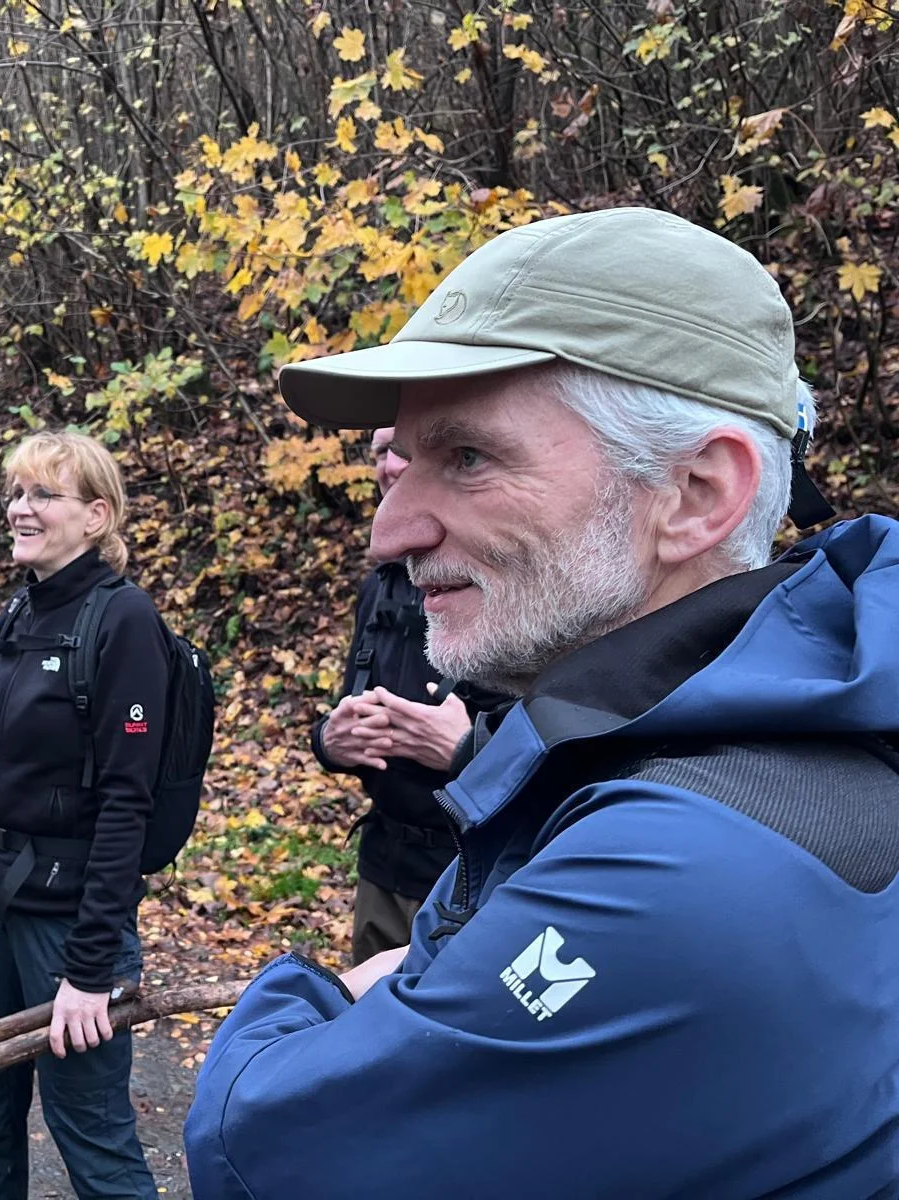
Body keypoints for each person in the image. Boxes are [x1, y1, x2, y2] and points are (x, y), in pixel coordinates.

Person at [185, 206, 899, 1197]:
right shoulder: (787, 721)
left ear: (694, 492)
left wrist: (322, 990)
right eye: (393, 462)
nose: (386, 533)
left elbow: (259, 1152)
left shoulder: (685, 864)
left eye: (469, 459)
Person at [0, 431, 167, 1200]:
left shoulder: (124, 621)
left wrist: (89, 969)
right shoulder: (21, 612)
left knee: (92, 1136)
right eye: (16, 492)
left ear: (95, 516)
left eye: (44, 494)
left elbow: (126, 804)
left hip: (70, 917)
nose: (21, 508)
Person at [312, 425, 507, 963]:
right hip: (382, 868)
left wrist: (469, 751)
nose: (392, 466)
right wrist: (329, 741)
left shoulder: (512, 580)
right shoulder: (380, 584)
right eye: (382, 453)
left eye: (406, 451)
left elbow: (581, 754)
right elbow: (345, 706)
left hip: (478, 879)